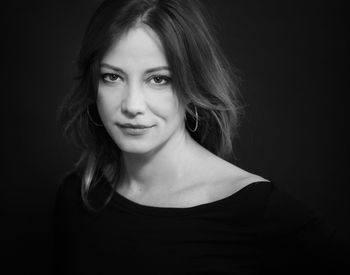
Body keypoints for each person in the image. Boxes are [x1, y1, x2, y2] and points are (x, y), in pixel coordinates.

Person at [53, 0, 344, 274]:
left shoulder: (258, 211)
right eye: (112, 77)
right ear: (94, 84)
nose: (132, 105)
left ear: (193, 84)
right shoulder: (78, 197)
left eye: (159, 79)